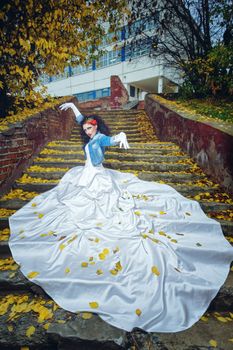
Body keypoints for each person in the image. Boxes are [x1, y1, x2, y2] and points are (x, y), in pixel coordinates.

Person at [9, 102, 233, 333]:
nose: (87, 132)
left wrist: (121, 137)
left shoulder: (99, 139)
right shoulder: (88, 133)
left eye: (90, 129)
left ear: (96, 128)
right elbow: (80, 120)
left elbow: (110, 139)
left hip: (98, 178)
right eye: (86, 129)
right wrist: (74, 107)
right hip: (85, 174)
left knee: (99, 205)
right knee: (71, 199)